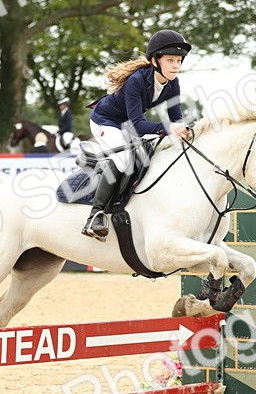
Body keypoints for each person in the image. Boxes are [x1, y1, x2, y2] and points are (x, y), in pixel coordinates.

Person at [81, 29, 193, 240]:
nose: (176, 66)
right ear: (154, 60)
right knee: (124, 161)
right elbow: (139, 126)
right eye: (170, 60)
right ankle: (95, 215)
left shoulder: (173, 84)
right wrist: (169, 128)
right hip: (105, 120)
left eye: (179, 60)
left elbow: (175, 118)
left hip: (128, 125)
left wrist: (186, 131)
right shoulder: (136, 81)